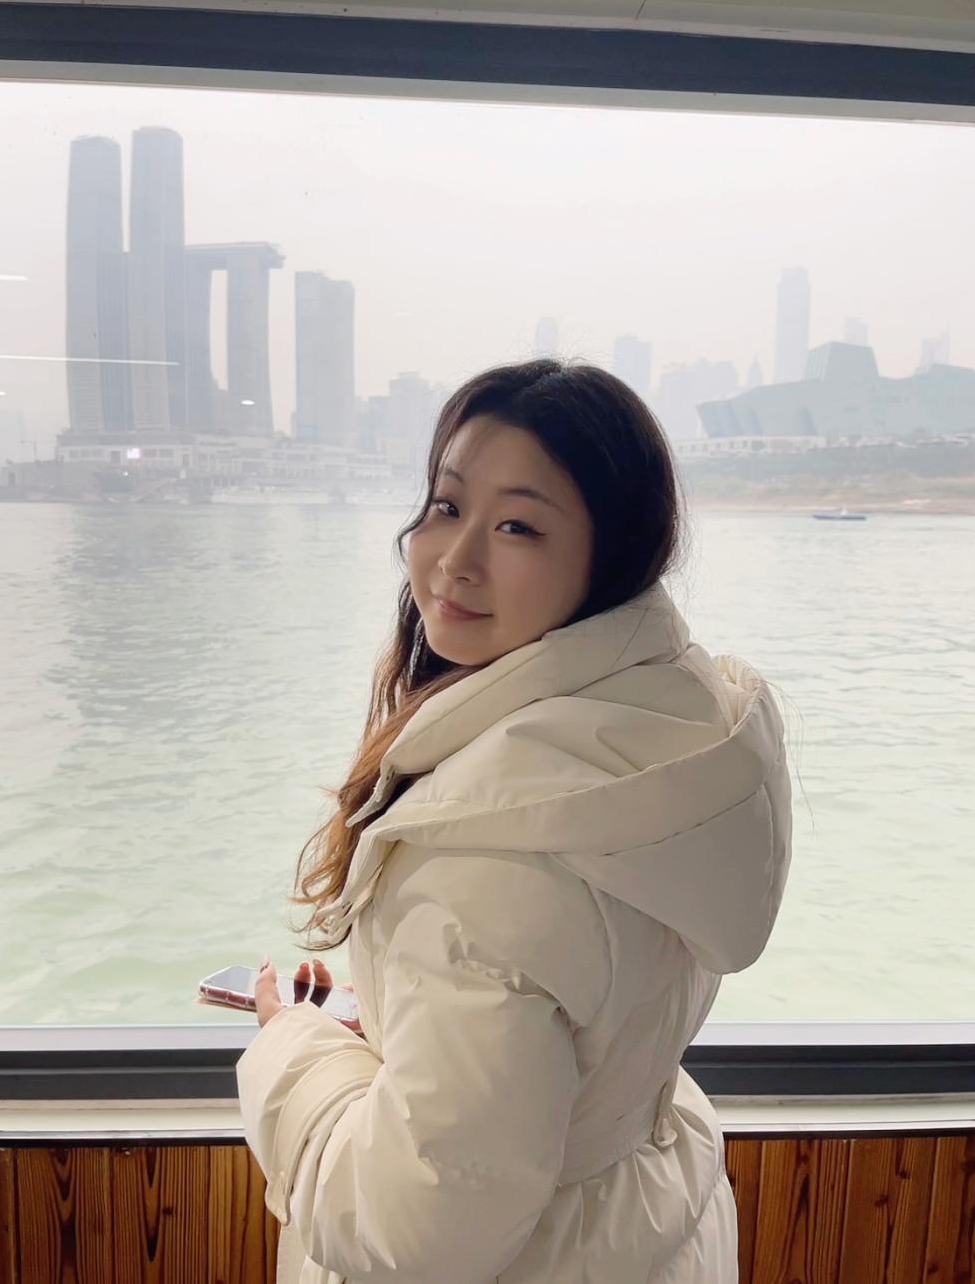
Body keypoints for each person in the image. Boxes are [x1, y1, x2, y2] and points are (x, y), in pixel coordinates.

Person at [237, 357, 793, 1283]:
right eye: (447, 505)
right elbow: (592, 1027)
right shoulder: (670, 740)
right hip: (650, 1230)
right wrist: (405, 1018)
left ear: (611, 557)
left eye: (518, 526)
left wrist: (290, 1045)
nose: (453, 559)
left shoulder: (486, 859)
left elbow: (419, 1228)